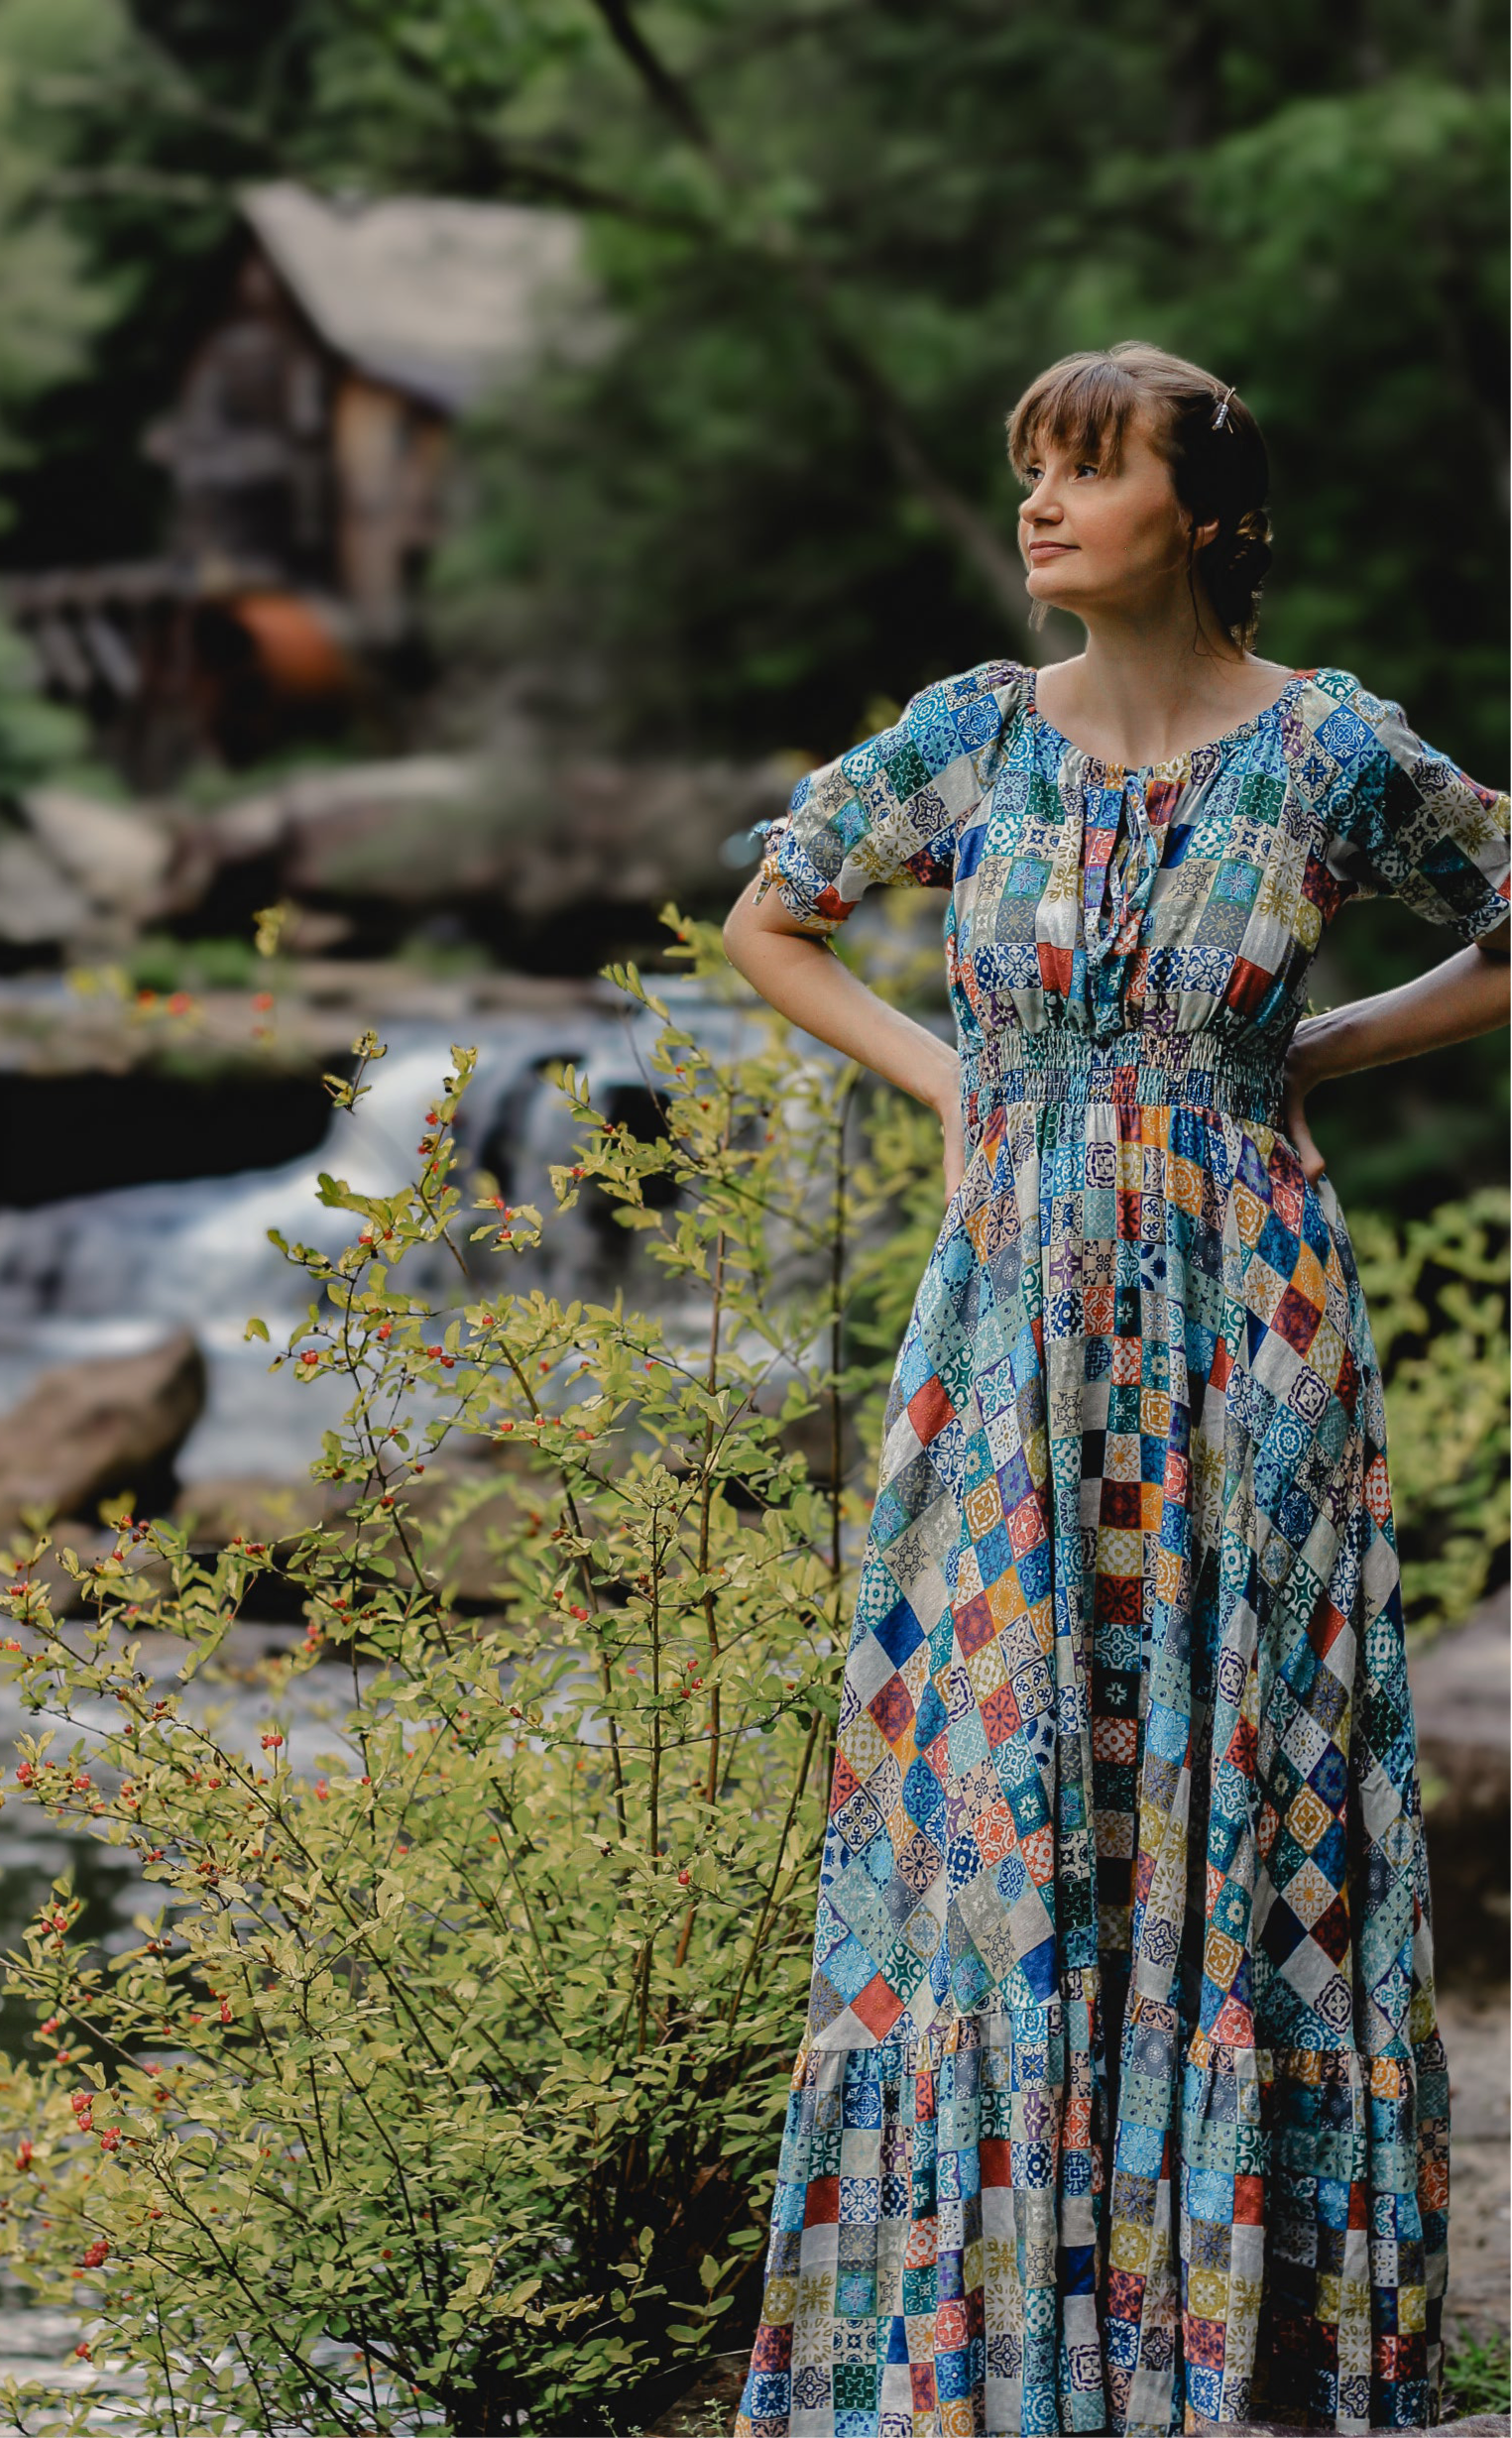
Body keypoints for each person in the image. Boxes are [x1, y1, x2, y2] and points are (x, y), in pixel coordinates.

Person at [723, 341, 1511, 2438]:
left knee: (1233, 1773)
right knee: (994, 1781)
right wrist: (960, 1086)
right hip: (1014, 1315)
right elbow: (771, 915)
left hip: (1250, 1310)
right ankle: (983, 2351)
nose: (1041, 505)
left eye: (1089, 467)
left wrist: (1317, 1056)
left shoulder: (1332, 747)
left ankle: (1238, 2354)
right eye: (1028, 472)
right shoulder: (973, 738)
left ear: (1211, 510)